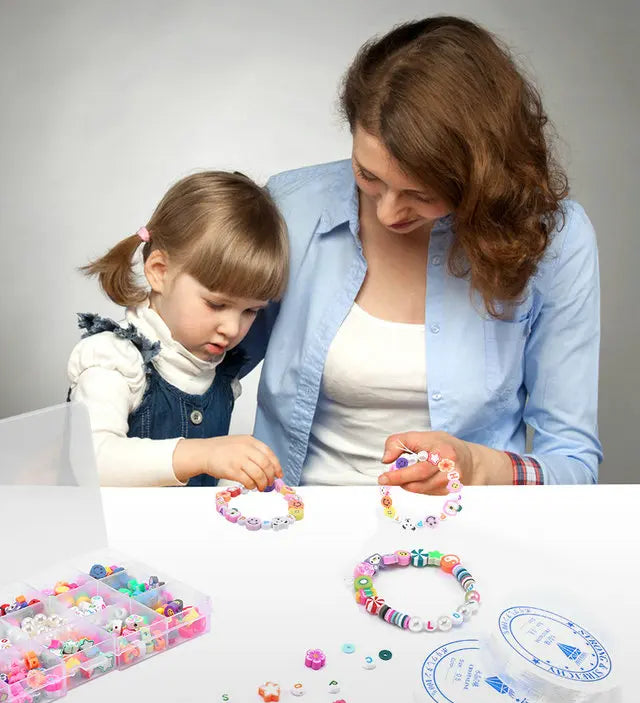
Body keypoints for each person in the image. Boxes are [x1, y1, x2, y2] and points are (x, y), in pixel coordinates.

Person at [240, 16, 602, 491]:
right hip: (298, 522)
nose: (389, 213)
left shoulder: (554, 239)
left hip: (469, 535)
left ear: (481, 174)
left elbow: (574, 464)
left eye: (421, 192)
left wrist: (476, 467)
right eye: (367, 176)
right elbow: (196, 369)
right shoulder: (294, 207)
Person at [68, 171, 287, 488]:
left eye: (250, 310)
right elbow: (91, 461)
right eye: (215, 304)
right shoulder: (114, 359)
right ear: (159, 272)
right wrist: (204, 454)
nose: (232, 328)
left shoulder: (219, 373)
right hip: (117, 537)